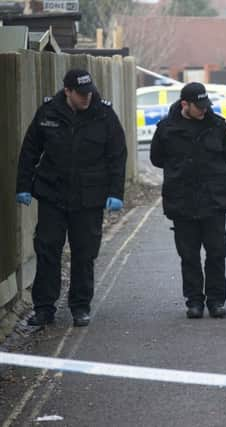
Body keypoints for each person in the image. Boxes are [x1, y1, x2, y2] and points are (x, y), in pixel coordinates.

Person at [16, 69, 127, 327]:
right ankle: (44, 308)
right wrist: (23, 185)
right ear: (67, 91)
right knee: (47, 250)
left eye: (88, 93)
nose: (86, 98)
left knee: (84, 253)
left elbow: (117, 156)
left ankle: (80, 306)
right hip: (52, 193)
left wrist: (115, 193)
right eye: (80, 94)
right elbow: (30, 151)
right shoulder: (48, 113)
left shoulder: (104, 115)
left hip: (89, 197)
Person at [150, 82, 226, 319]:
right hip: (182, 201)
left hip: (214, 199)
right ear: (184, 105)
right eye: (198, 107)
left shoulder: (218, 125)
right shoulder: (167, 128)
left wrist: (211, 171)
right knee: (189, 256)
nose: (203, 110)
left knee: (217, 252)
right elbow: (157, 159)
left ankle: (216, 301)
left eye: (205, 105)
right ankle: (194, 301)